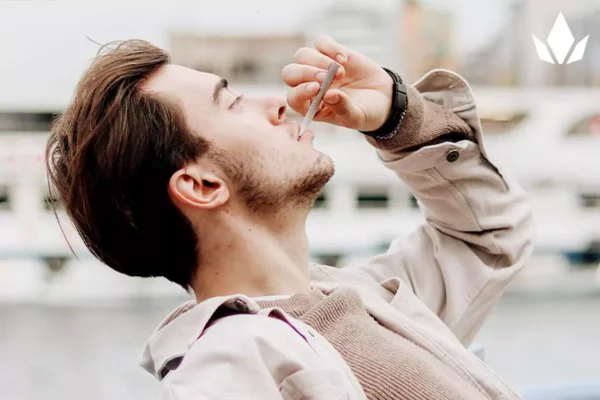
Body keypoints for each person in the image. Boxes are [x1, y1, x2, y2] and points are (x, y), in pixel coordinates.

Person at [46, 35, 533, 399]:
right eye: (232, 102)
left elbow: (487, 237)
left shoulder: (361, 299)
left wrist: (399, 116)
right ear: (202, 185)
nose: (278, 104)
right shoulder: (230, 367)